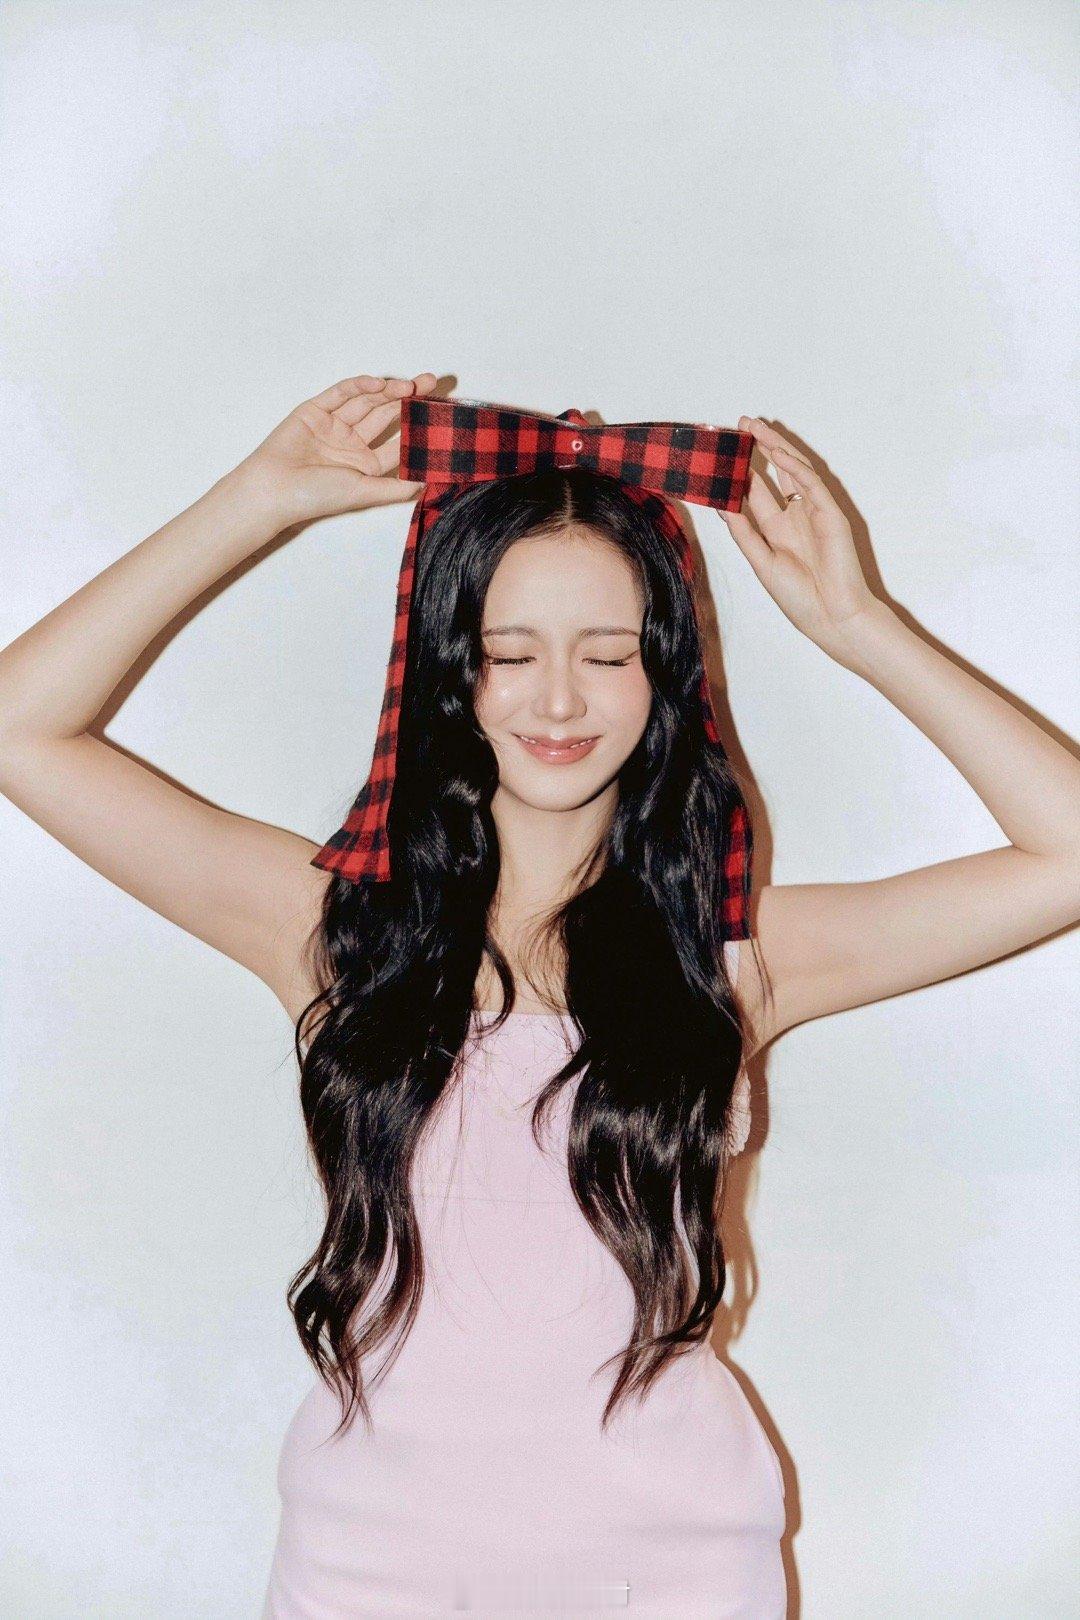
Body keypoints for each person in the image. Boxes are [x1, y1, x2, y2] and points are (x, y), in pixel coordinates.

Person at [1, 373, 1077, 1619]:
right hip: (367, 1570)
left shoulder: (729, 954)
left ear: (667, 675)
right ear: (445, 672)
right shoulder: (336, 930)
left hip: (673, 1571)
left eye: (607, 654)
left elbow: (1063, 856)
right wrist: (259, 501)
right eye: (509, 654)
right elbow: (23, 729)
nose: (558, 699)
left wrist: (856, 622)